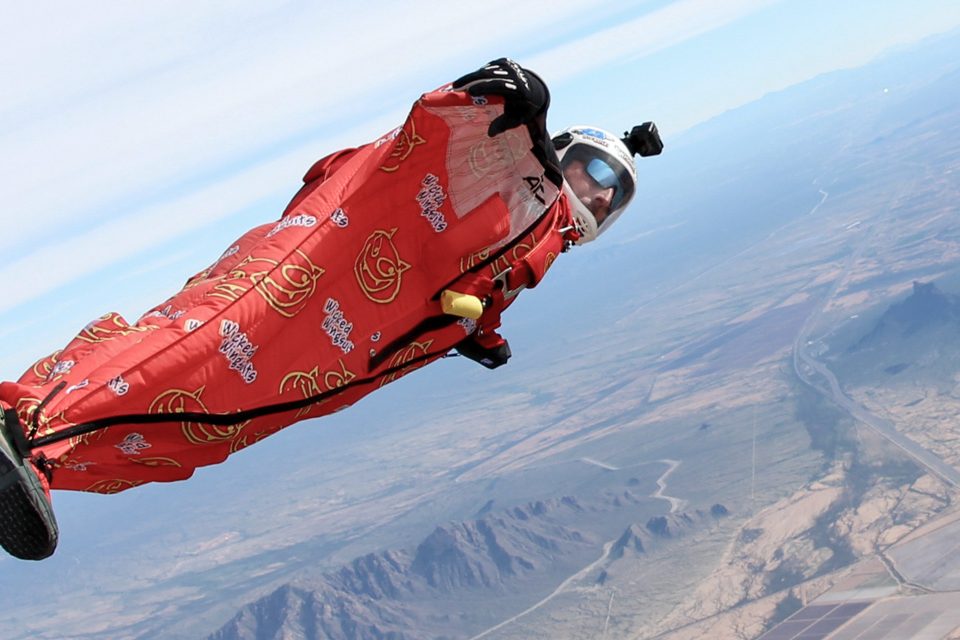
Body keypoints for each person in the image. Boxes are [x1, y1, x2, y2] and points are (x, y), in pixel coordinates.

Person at [0, 59, 662, 560]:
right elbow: (431, 140)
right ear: (567, 153)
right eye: (597, 174)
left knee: (220, 421)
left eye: (616, 196)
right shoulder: (508, 165)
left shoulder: (534, 244)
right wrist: (506, 96)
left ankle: (48, 463)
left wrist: (480, 337)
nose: (601, 197)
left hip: (347, 354)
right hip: (318, 278)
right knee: (199, 342)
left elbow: (475, 290)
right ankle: (29, 425)